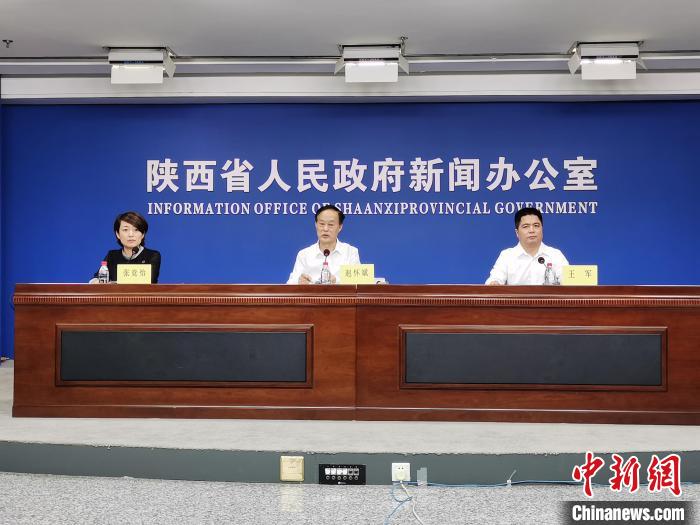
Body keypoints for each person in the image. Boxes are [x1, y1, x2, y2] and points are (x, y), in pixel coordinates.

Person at [486, 207, 568, 285]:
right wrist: (494, 283)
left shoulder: (555, 255)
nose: (531, 230)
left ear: (542, 229)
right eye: (526, 226)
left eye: (536, 226)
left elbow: (569, 283)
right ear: (517, 233)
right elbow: (495, 279)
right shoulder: (507, 256)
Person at [287, 204, 360, 284]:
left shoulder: (350, 252)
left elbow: (359, 282)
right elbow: (290, 284)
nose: (325, 229)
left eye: (331, 225)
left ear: (340, 227)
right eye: (322, 224)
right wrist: (299, 282)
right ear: (316, 225)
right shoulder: (304, 254)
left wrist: (337, 281)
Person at [91, 211, 161, 283]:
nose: (131, 234)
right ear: (118, 234)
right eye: (125, 230)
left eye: (136, 230)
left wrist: (113, 283)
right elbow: (96, 278)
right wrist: (96, 281)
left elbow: (150, 281)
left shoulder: (152, 255)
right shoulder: (112, 256)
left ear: (143, 234)